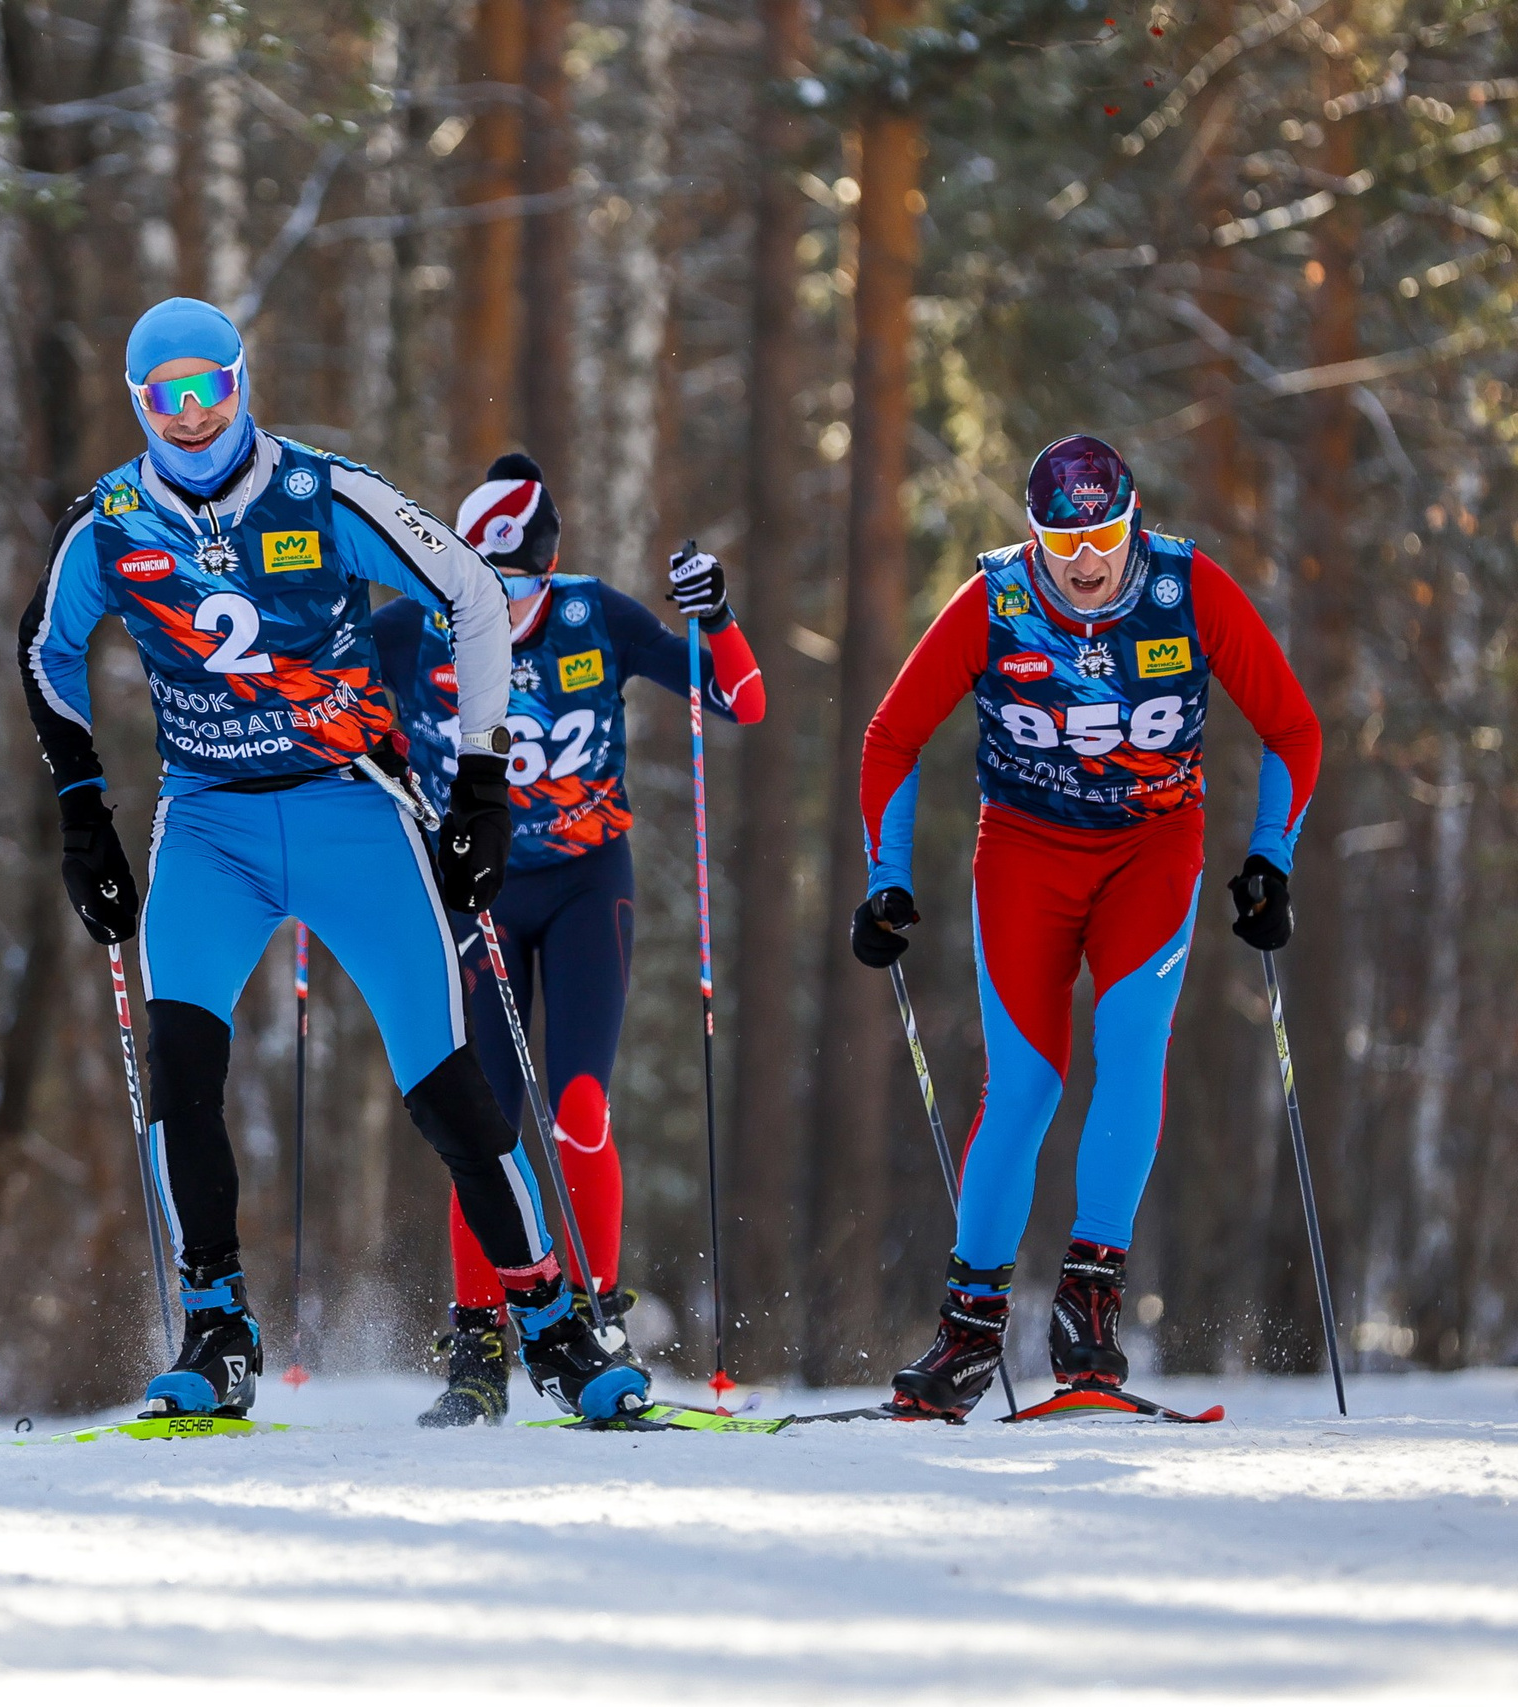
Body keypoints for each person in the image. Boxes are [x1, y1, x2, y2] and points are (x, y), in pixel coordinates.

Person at [19, 298, 649, 1422]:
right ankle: (216, 1329)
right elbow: (44, 649)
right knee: (183, 1067)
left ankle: (549, 1318)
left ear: (243, 382)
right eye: (167, 397)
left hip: (352, 812)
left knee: (447, 1088)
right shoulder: (111, 521)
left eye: (211, 387)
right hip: (209, 826)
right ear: (138, 405)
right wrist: (81, 809)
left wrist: (479, 783)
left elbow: (470, 593)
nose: (193, 416)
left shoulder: (320, 490)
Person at [851, 435, 1320, 1418]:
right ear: (1033, 539)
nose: (1086, 560)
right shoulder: (994, 600)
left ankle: (1088, 1305)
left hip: (1151, 849)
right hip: (1024, 850)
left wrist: (1270, 857)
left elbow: (1290, 727)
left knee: (1130, 1056)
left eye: (1103, 534)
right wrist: (886, 878)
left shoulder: (1185, 589)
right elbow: (892, 734)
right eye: (1062, 543)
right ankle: (969, 1332)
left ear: (1132, 518)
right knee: (1020, 1087)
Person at [373, 455, 768, 1426]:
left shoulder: (596, 619)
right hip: (477, 895)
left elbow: (739, 701)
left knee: (581, 1104)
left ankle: (592, 1319)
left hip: (590, 884)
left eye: (519, 587)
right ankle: (478, 1342)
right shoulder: (410, 630)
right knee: (483, 1120)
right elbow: (314, 697)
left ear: (548, 573)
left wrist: (714, 618)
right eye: (481, 586)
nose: (499, 608)